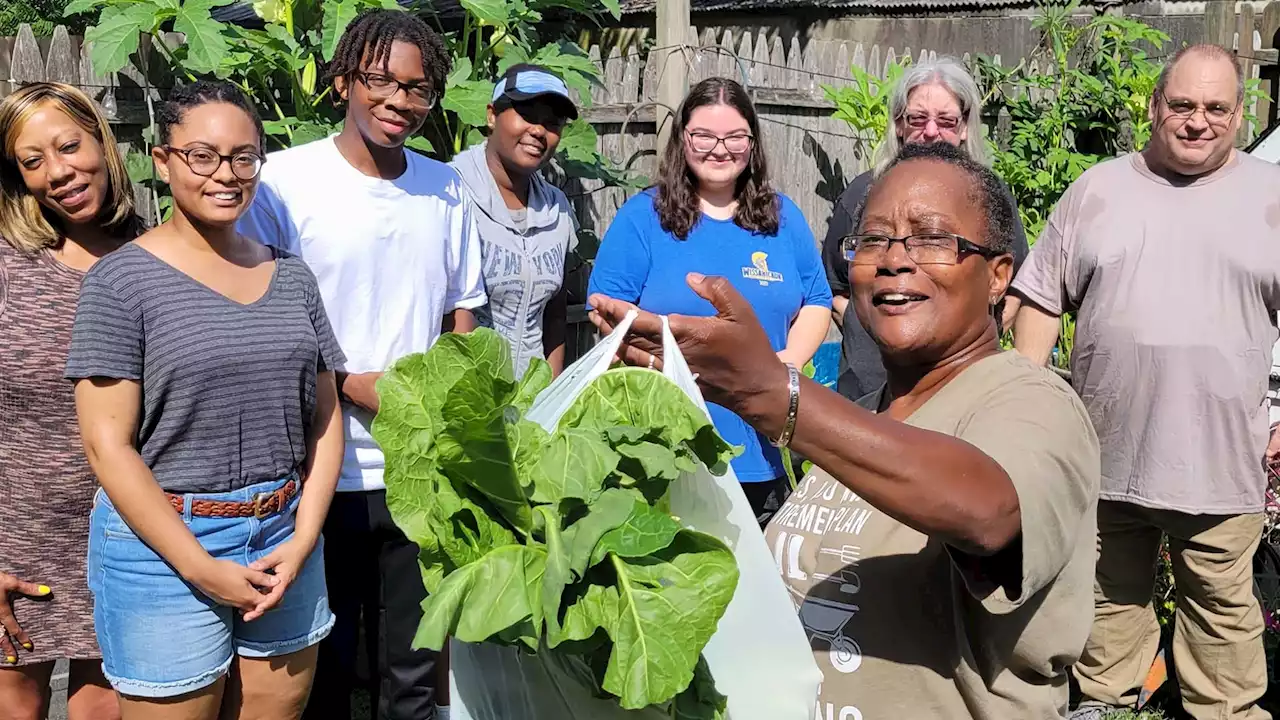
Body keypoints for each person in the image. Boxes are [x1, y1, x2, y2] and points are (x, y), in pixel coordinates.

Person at [590, 141, 1101, 719]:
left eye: (932, 238)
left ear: (997, 276)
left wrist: (772, 394)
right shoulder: (863, 415)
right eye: (873, 240)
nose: (893, 259)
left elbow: (989, 512)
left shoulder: (1031, 400)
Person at [1012, 44, 1280, 720]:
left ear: (1240, 114)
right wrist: (1024, 403)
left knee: (1220, 602)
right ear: (1155, 108)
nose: (1198, 121)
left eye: (1216, 108)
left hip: (1222, 456)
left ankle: (1227, 711)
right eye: (1183, 105)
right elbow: (1043, 298)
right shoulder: (1098, 188)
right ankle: (1107, 703)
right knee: (1109, 590)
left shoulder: (1271, 198)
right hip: (1106, 450)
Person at [65, 80, 344, 719]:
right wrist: (198, 565)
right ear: (163, 163)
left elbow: (324, 420)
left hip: (282, 533)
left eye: (244, 157)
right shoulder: (121, 281)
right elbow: (106, 446)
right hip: (164, 545)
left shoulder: (292, 276)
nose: (226, 174)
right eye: (203, 155)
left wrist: (303, 537)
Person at [237, 10, 485, 719]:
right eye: (380, 80)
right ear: (344, 79)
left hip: (417, 471)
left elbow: (460, 316)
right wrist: (346, 384)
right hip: (315, 470)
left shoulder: (444, 188)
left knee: (413, 671)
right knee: (324, 669)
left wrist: (444, 409)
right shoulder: (285, 182)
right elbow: (261, 316)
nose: (399, 101)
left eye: (417, 88)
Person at [588, 77, 832, 525]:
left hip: (761, 444)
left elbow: (817, 300)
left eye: (735, 136)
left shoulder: (783, 218)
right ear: (683, 139)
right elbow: (603, 310)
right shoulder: (644, 217)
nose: (720, 149)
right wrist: (660, 360)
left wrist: (784, 367)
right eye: (703, 135)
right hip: (665, 446)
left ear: (752, 143)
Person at [0, 81, 139, 720]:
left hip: (127, 535)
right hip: (17, 539)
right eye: (32, 161)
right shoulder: (8, 263)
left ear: (101, 138)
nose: (57, 172)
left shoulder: (158, 251)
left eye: (68, 146)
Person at [821, 57, 1030, 401]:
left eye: (946, 121)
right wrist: (877, 329)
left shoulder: (989, 196)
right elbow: (835, 285)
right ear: (899, 125)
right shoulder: (864, 194)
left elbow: (1017, 282)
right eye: (917, 118)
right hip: (869, 387)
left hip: (962, 385)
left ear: (965, 128)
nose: (931, 131)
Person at [450, 64, 578, 378]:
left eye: (552, 123)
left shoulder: (557, 208)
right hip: (462, 400)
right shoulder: (450, 193)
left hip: (529, 406)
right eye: (528, 114)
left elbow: (555, 313)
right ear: (492, 115)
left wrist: (549, 390)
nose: (539, 131)